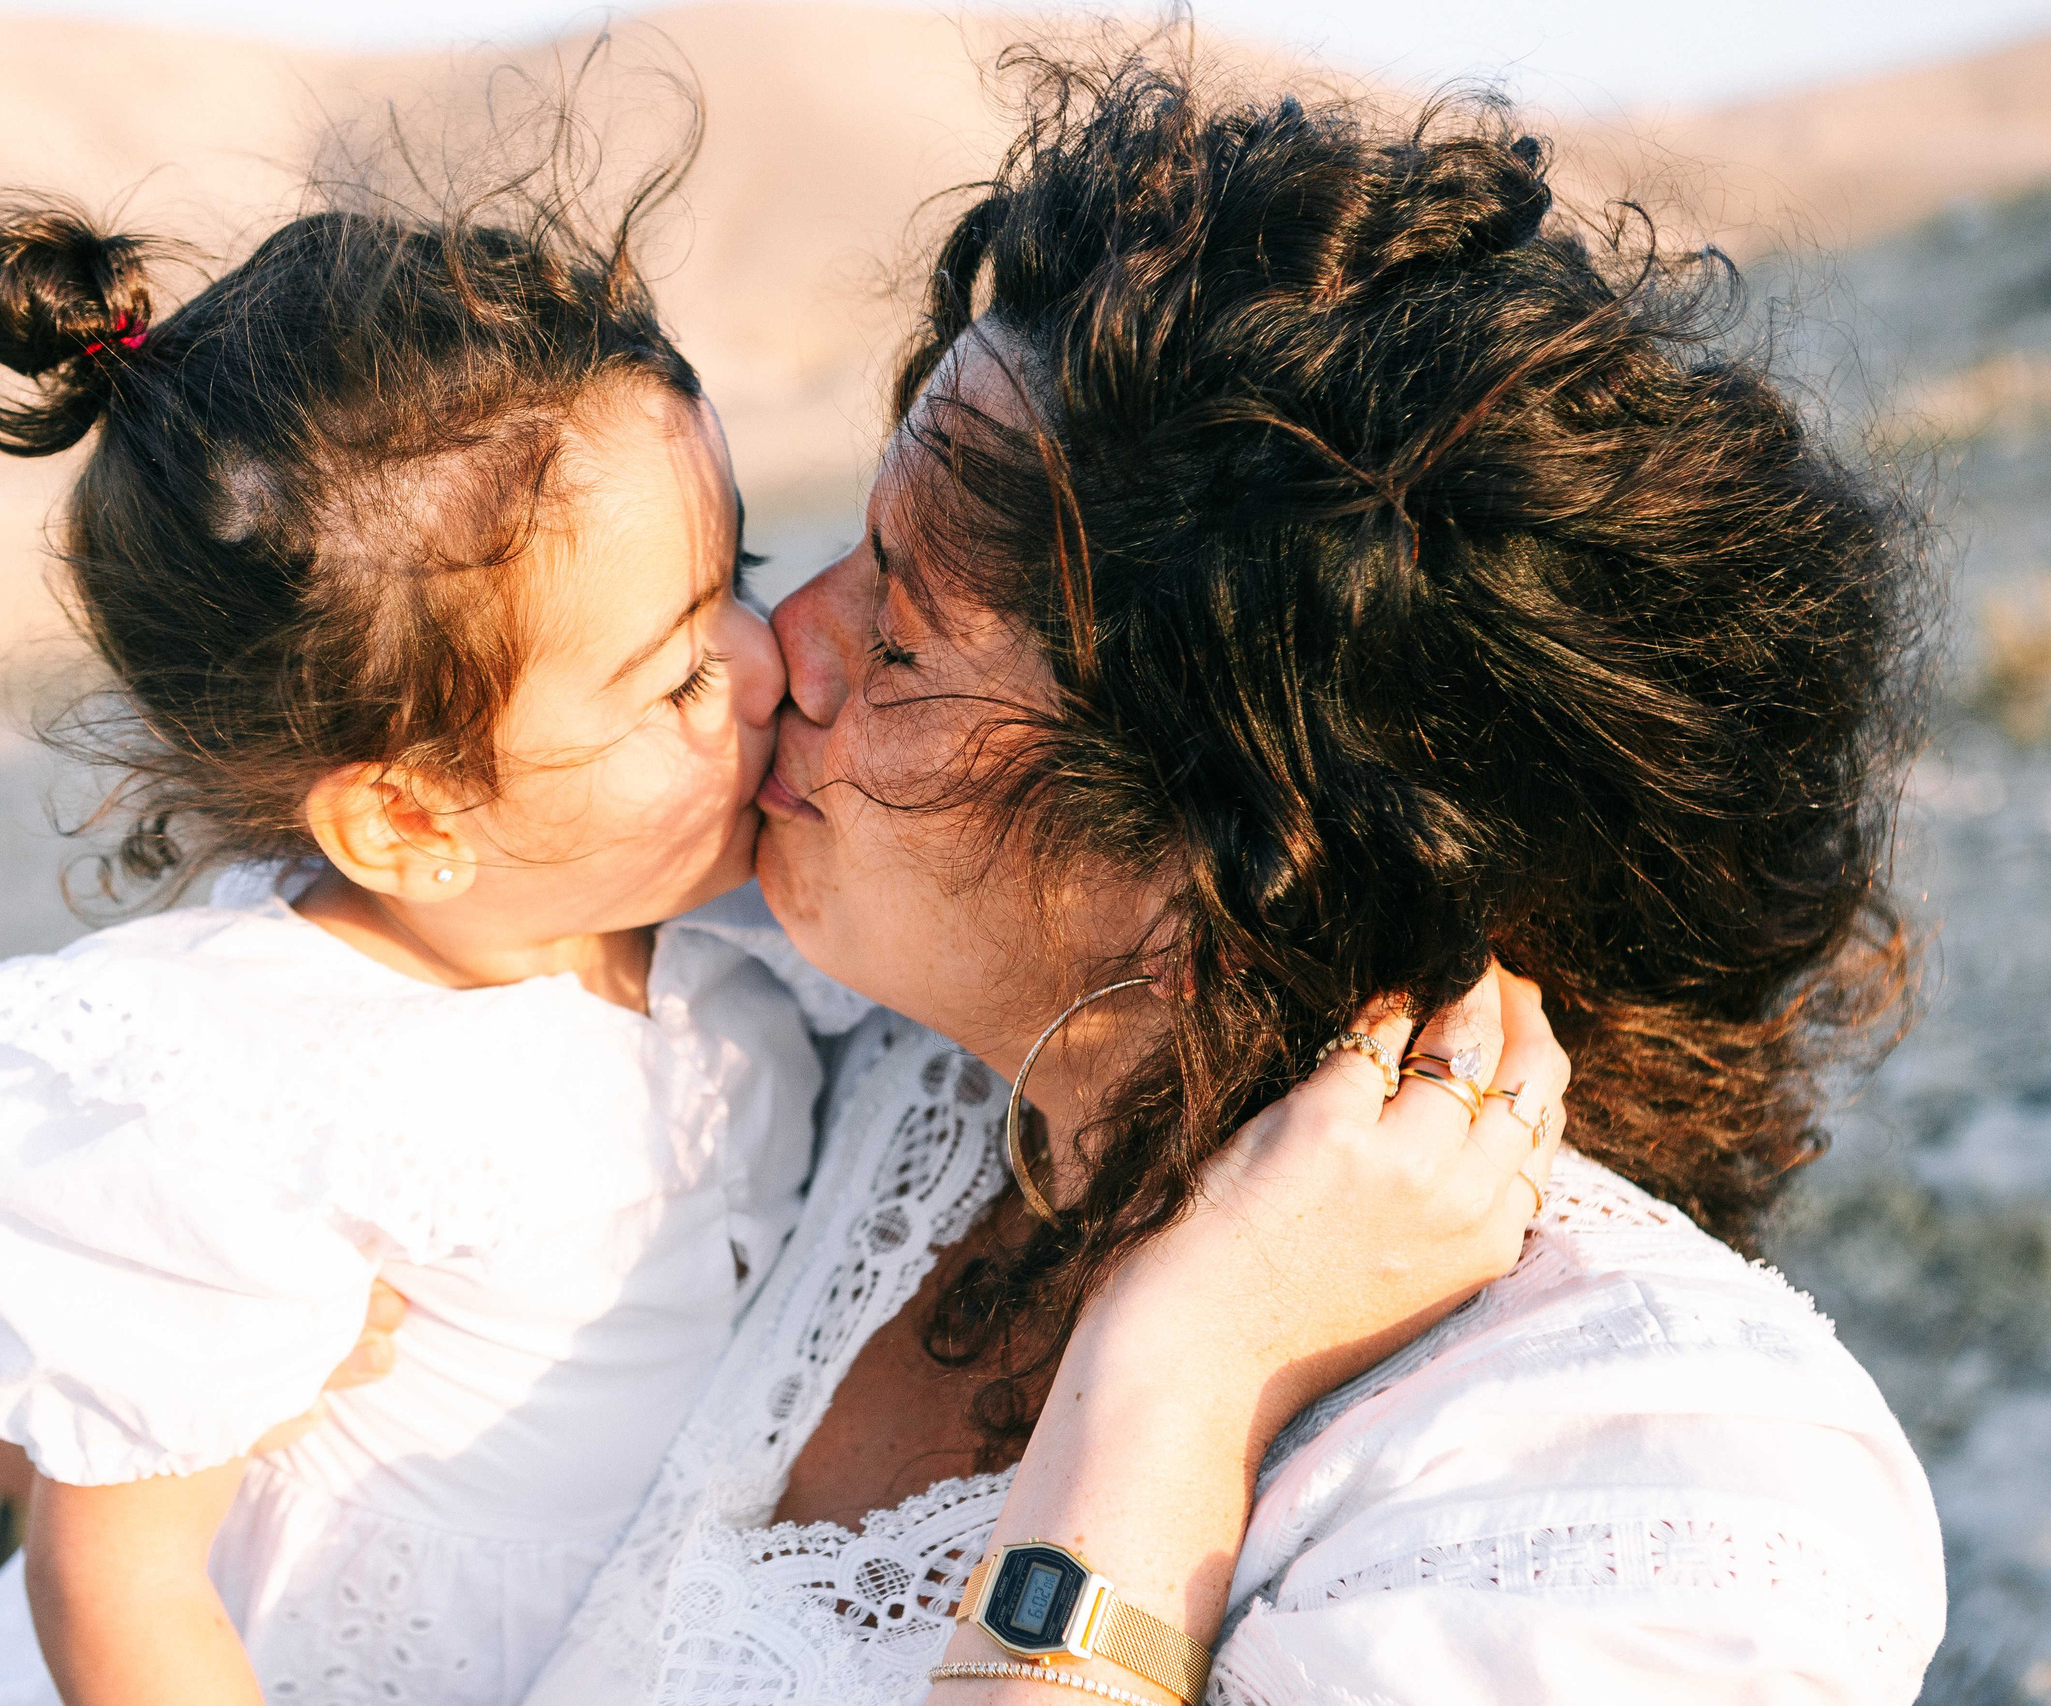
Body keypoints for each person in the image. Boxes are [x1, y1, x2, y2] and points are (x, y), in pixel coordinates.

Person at [523, 52, 1945, 1706]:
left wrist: (1188, 1368)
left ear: (1225, 851)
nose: (789, 644)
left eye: (903, 630)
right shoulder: (831, 1086)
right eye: (849, 541)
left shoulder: (1648, 1491)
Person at [0, 178, 866, 1706]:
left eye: (737, 579)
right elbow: (123, 1587)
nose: (766, 661)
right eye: (675, 673)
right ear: (413, 822)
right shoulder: (260, 1085)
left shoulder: (732, 930)